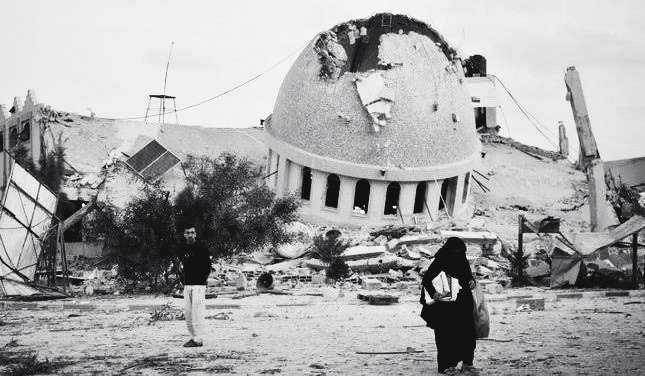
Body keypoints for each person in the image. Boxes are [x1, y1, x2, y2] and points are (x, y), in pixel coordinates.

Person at [421, 237, 479, 375]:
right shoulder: (441, 259)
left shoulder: (461, 259)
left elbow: (468, 276)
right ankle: (446, 366)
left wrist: (471, 281)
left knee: (467, 334)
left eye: (460, 251)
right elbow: (426, 280)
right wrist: (434, 293)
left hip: (463, 304)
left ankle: (467, 363)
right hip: (445, 307)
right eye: (455, 251)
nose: (458, 254)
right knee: (446, 336)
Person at [178, 224, 211, 348]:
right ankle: (193, 337)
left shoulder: (202, 247)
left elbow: (207, 266)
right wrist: (183, 281)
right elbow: (182, 266)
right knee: (188, 312)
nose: (190, 235)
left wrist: (202, 279)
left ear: (195, 234)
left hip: (199, 284)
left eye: (192, 232)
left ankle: (198, 339)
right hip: (188, 284)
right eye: (188, 232)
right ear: (184, 234)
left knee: (197, 311)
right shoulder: (183, 249)